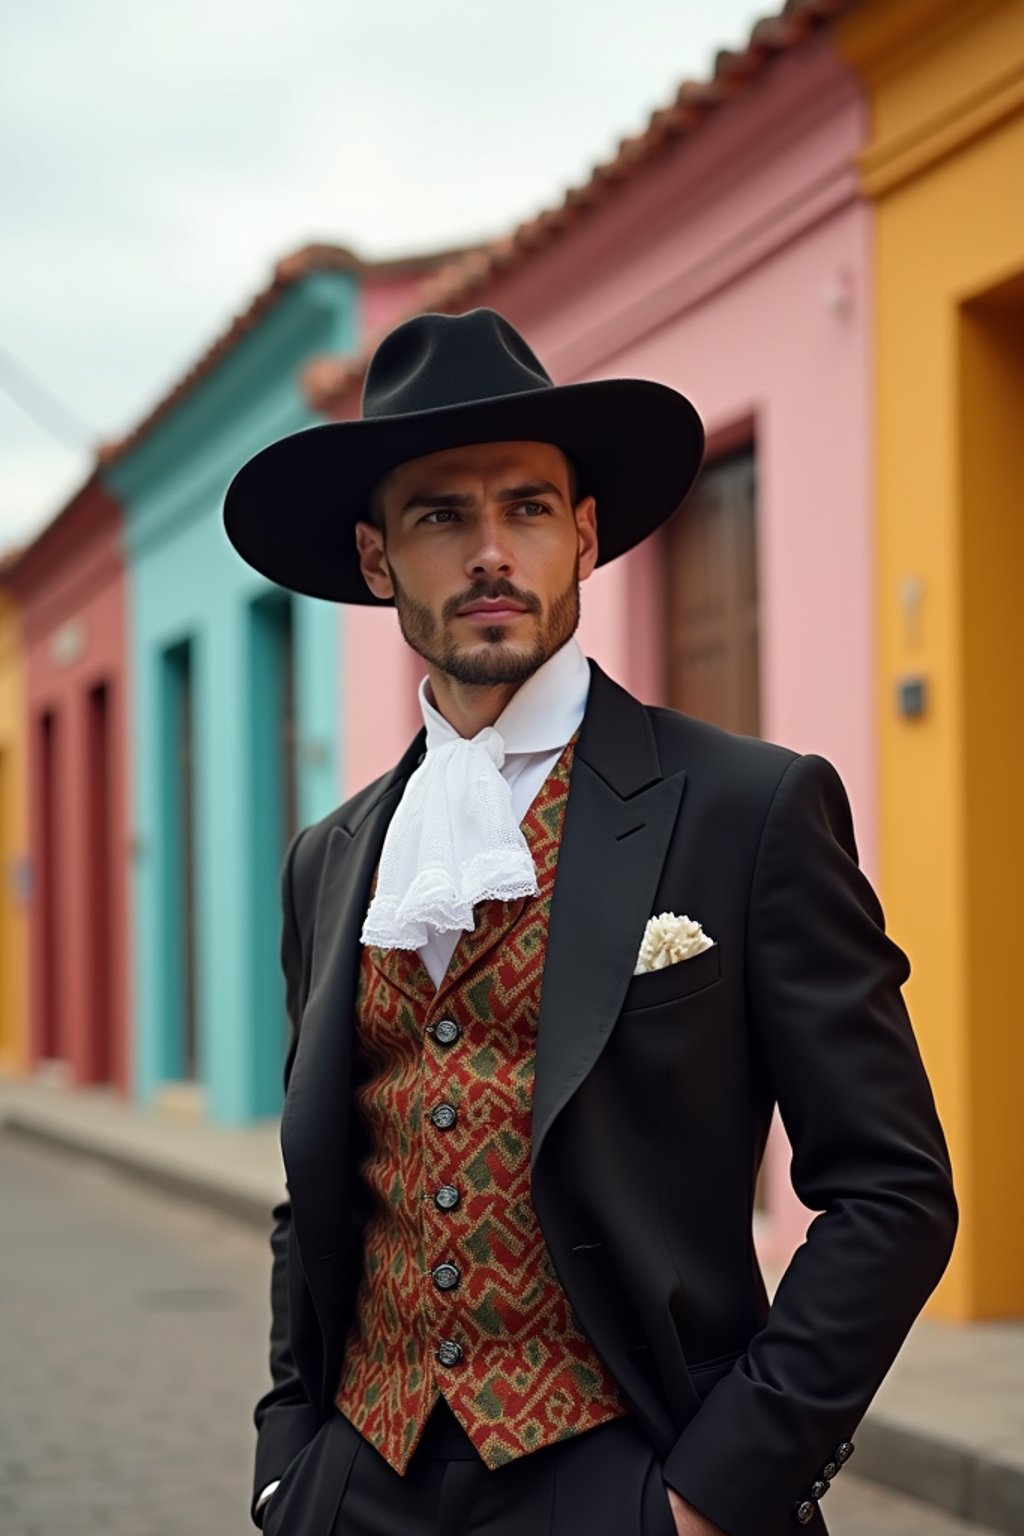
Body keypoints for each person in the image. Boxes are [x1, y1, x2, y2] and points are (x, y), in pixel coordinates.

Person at [222, 308, 957, 1536]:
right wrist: (289, 1458)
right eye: (441, 516)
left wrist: (714, 1494)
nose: (490, 552)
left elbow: (891, 1190)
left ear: (585, 533)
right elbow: (323, 1186)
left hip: (624, 1476)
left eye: (525, 507)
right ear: (375, 559)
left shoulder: (747, 806)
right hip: (360, 1482)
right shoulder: (330, 857)